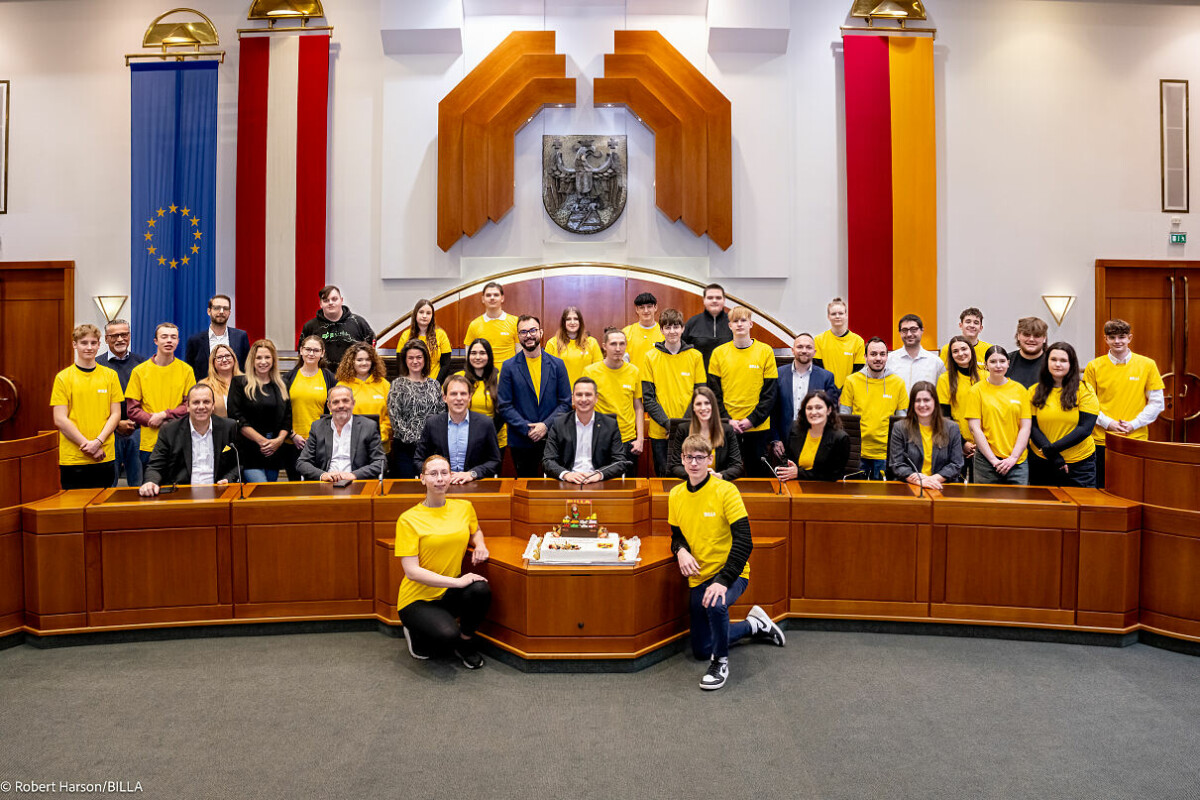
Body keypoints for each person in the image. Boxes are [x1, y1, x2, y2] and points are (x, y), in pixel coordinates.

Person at [668, 433, 785, 691]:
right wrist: (681, 551)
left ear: (710, 459)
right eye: (689, 457)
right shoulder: (675, 495)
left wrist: (722, 581)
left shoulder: (726, 491)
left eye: (700, 457)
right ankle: (754, 626)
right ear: (683, 459)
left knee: (716, 604)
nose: (694, 463)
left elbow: (745, 542)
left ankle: (720, 663)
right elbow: (677, 536)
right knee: (701, 648)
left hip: (731, 574)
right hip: (699, 577)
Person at [395, 454, 492, 668]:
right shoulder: (408, 519)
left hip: (447, 593)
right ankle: (414, 632)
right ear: (422, 479)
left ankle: (466, 643)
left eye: (444, 473)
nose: (439, 478)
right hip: (417, 599)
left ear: (450, 477)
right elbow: (411, 571)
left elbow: (475, 530)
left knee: (480, 590)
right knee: (446, 637)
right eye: (433, 474)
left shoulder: (464, 507)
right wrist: (458, 582)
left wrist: (481, 545)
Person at [1083, 319, 1165, 488]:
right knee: (1101, 487)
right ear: (1105, 339)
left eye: (1122, 337)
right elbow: (1087, 404)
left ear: (1130, 338)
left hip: (1135, 438)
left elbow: (1157, 403)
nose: (1117, 341)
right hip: (1101, 439)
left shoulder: (1147, 365)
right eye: (1112, 337)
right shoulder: (1094, 366)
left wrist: (1133, 424)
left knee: (1133, 487)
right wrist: (1109, 423)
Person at [707, 307, 778, 476]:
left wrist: (752, 420)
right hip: (727, 427)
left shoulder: (765, 351)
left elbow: (770, 393)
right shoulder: (718, 353)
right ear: (729, 325)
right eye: (735, 321)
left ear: (751, 324)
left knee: (758, 477)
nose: (739, 324)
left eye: (743, 320)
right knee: (726, 475)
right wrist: (727, 420)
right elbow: (714, 394)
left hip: (757, 427)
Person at [497, 315, 571, 477]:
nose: (528, 335)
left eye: (532, 330)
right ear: (518, 336)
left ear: (541, 332)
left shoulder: (557, 365)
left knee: (554, 489)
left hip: (553, 438)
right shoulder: (508, 367)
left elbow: (565, 403)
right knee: (527, 491)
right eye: (523, 332)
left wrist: (545, 426)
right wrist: (528, 429)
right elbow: (504, 405)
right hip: (521, 440)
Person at [51, 324, 123, 490]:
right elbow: (60, 419)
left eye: (93, 343)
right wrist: (88, 446)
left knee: (102, 510)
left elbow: (115, 414)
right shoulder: (63, 378)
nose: (89, 347)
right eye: (84, 343)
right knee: (74, 510)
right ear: (75, 344)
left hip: (104, 455)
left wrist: (98, 442)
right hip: (74, 458)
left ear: (99, 345)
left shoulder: (110, 376)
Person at [138, 383, 240, 496]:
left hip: (219, 493)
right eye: (196, 402)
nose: (201, 407)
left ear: (213, 405)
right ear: (187, 406)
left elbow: (239, 462)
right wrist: (151, 482)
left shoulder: (229, 427)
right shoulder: (170, 430)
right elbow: (155, 466)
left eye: (206, 402)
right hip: (181, 494)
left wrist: (228, 479)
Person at [641, 308, 707, 477]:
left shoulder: (695, 356)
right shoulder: (650, 357)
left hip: (690, 429)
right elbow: (648, 398)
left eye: (676, 327)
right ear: (661, 330)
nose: (672, 331)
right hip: (660, 431)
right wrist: (669, 425)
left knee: (690, 476)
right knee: (663, 476)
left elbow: (699, 396)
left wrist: (681, 426)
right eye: (668, 327)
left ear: (682, 329)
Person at [126, 322, 196, 472]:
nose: (169, 341)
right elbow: (132, 409)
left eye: (173, 337)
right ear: (156, 341)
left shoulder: (186, 370)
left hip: (179, 439)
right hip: (150, 443)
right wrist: (152, 420)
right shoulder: (139, 371)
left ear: (178, 341)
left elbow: (190, 405)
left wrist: (164, 415)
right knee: (152, 488)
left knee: (180, 490)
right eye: (164, 337)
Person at [1029, 343, 1100, 488]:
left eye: (1063, 360)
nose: (1057, 364)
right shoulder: (1033, 391)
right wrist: (1054, 457)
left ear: (1071, 364)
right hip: (1042, 462)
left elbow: (1085, 428)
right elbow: (1031, 426)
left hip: (1080, 464)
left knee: (1080, 508)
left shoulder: (1085, 390)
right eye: (1053, 359)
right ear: (1046, 362)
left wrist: (1052, 449)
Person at [839, 337, 908, 479]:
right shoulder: (851, 381)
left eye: (882, 354)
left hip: (886, 454)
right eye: (873, 354)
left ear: (887, 356)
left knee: (883, 497)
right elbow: (844, 419)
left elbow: (902, 421)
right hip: (857, 453)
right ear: (865, 357)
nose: (878, 358)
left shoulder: (898, 383)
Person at [965, 345, 1032, 485]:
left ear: (1008, 363)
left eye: (1002, 361)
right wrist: (993, 460)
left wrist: (1013, 458)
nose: (998, 365)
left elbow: (1025, 428)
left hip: (1017, 461)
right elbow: (975, 429)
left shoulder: (1020, 390)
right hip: (986, 462)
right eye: (993, 361)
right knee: (986, 505)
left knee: (1017, 505)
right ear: (986, 365)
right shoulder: (976, 390)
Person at [543, 377, 631, 483]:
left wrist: (599, 474)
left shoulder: (610, 425)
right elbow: (548, 461)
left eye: (588, 395)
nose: (583, 399)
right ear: (573, 398)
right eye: (579, 395)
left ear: (596, 398)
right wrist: (566, 474)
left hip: (599, 483)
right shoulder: (559, 424)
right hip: (567, 482)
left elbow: (620, 462)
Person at [227, 339, 292, 483]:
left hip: (273, 451)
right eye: (259, 358)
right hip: (249, 451)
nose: (263, 362)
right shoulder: (239, 383)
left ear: (273, 360)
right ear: (252, 360)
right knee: (260, 488)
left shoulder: (282, 384)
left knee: (268, 495)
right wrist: (262, 441)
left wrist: (278, 441)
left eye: (267, 357)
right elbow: (235, 417)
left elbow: (287, 419)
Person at [415, 375, 501, 482]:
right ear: (444, 398)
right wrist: (438, 474)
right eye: (453, 394)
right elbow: (419, 460)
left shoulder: (485, 423)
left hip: (475, 485)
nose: (459, 398)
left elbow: (495, 461)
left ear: (470, 397)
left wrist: (472, 474)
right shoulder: (432, 424)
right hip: (440, 485)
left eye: (463, 393)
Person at [770, 332, 838, 465]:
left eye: (808, 347)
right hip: (783, 443)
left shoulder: (826, 377)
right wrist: (775, 439)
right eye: (800, 347)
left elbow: (831, 412)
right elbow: (771, 410)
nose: (804, 351)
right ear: (793, 350)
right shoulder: (778, 374)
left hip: (814, 442)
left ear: (814, 351)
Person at [583, 328, 645, 476]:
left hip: (627, 440)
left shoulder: (634, 371)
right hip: (598, 439)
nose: (618, 348)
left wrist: (640, 439)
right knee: (598, 486)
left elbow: (638, 407)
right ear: (604, 346)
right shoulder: (590, 372)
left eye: (622, 344)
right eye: (613, 344)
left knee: (626, 488)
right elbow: (583, 407)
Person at [294, 385, 387, 482]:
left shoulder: (368, 426)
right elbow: (302, 462)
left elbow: (380, 462)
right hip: (326, 484)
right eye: (335, 402)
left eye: (345, 401)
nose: (341, 405)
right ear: (329, 406)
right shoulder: (318, 427)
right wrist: (323, 475)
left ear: (353, 403)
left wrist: (354, 475)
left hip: (357, 483)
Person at [385, 340, 445, 479]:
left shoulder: (434, 385)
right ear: (405, 360)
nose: (415, 361)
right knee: (408, 488)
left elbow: (441, 414)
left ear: (425, 359)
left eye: (419, 357)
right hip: (405, 450)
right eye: (410, 358)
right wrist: (416, 441)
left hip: (432, 448)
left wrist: (429, 441)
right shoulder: (397, 385)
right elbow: (395, 419)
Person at [887, 381, 964, 490]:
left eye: (926, 400)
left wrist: (931, 480)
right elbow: (897, 464)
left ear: (935, 402)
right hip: (909, 486)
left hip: (942, 485)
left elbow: (956, 464)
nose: (922, 405)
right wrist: (919, 481)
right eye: (917, 401)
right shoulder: (900, 428)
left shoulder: (952, 428)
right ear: (912, 404)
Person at [96, 318, 145, 487]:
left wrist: (134, 423)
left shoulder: (142, 364)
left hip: (138, 431)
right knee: (109, 484)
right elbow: (95, 404)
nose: (120, 339)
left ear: (130, 336)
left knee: (139, 483)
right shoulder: (96, 365)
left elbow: (147, 400)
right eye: (114, 335)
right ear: (106, 338)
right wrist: (116, 424)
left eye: (124, 334)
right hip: (108, 432)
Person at [666, 386, 743, 481]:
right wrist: (698, 476)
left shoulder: (727, 431)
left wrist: (720, 476)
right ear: (693, 408)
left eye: (707, 403)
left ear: (713, 406)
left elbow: (737, 466)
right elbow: (675, 466)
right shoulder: (683, 430)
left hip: (718, 485)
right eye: (698, 404)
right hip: (690, 484)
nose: (703, 408)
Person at [774, 390, 850, 482]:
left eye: (819, 408)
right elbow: (786, 458)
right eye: (809, 408)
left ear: (829, 410)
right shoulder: (795, 429)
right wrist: (787, 470)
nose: (813, 412)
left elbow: (833, 474)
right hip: (795, 485)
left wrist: (799, 473)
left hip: (825, 489)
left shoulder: (840, 438)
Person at [284, 335, 337, 465]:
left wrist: (321, 437)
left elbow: (335, 410)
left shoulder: (329, 378)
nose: (311, 353)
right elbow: (282, 412)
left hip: (320, 443)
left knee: (319, 484)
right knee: (295, 485)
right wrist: (292, 435)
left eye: (316, 350)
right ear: (301, 351)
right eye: (308, 349)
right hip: (293, 443)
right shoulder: (288, 378)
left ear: (322, 353)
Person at [298, 284, 376, 371]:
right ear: (320, 304)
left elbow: (371, 351)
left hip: (353, 378)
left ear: (341, 300)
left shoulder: (359, 323)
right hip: (321, 378)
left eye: (334, 299)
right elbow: (302, 354)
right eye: (326, 300)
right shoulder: (310, 327)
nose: (330, 303)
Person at [336, 342, 393, 459]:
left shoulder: (384, 384)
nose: (364, 363)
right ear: (351, 362)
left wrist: (381, 433)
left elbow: (391, 415)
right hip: (350, 445)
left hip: (380, 444)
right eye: (359, 360)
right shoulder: (342, 385)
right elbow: (336, 415)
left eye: (367, 359)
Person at [936, 335, 982, 476]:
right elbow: (944, 416)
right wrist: (963, 444)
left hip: (985, 445)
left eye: (964, 349)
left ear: (971, 351)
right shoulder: (945, 380)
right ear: (951, 355)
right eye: (955, 351)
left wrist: (980, 444)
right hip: (955, 443)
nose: (961, 354)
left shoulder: (986, 376)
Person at [183, 294, 250, 380]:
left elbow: (247, 367)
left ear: (229, 313)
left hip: (235, 390)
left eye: (225, 308)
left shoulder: (241, 337)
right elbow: (190, 372)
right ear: (209, 311)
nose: (221, 311)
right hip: (205, 390)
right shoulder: (195, 341)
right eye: (217, 308)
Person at [457, 338, 506, 453]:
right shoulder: (459, 379)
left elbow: (503, 413)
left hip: (494, 440)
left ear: (489, 356)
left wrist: (484, 436)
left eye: (482, 353)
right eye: (473, 353)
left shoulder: (501, 379)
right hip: (465, 441)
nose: (477, 357)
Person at [813, 297, 865, 391]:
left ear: (846, 315)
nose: (837, 316)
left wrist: (843, 391)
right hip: (826, 391)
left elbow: (858, 371)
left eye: (841, 313)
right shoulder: (819, 340)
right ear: (828, 316)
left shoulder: (858, 341)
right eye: (833, 314)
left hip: (850, 392)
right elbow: (818, 369)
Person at [397, 298, 453, 383]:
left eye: (428, 313)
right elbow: (400, 364)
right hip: (411, 384)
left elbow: (446, 364)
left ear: (432, 316)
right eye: (421, 312)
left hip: (436, 383)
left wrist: (435, 385)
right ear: (415, 314)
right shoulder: (405, 335)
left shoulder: (441, 335)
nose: (424, 316)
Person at [462, 281, 518, 366]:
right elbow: (469, 356)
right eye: (488, 295)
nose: (492, 298)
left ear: (502, 298)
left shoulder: (515, 322)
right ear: (483, 299)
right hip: (483, 376)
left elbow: (520, 354)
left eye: (496, 295)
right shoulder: (474, 325)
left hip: (508, 376)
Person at [544, 306, 602, 387]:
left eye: (576, 319)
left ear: (580, 322)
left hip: (586, 392)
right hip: (561, 393)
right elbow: (547, 373)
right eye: (568, 319)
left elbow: (599, 371)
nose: (572, 322)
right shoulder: (552, 343)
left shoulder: (592, 342)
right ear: (563, 322)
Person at [886, 313, 945, 393]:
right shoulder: (888, 360)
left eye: (913, 329)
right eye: (905, 330)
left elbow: (941, 393)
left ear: (922, 330)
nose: (909, 334)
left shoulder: (936, 362)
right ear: (900, 333)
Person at [682, 283, 733, 367]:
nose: (714, 300)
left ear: (724, 300)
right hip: (699, 378)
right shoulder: (692, 322)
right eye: (710, 298)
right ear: (704, 300)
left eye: (718, 298)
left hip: (727, 378)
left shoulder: (734, 322)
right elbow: (682, 352)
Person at [622, 291, 664, 371]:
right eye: (642, 307)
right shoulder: (626, 332)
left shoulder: (664, 332)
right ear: (637, 310)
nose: (646, 311)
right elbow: (623, 363)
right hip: (635, 381)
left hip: (658, 381)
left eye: (649, 307)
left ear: (655, 308)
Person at [199, 343, 242, 418]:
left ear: (234, 358)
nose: (224, 360)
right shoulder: (205, 385)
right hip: (218, 428)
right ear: (213, 362)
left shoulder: (247, 381)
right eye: (219, 357)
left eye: (228, 356)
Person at [1006, 316, 1049, 389]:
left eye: (1037, 335)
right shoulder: (1006, 361)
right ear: (1018, 336)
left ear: (1044, 338)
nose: (1031, 339)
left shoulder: (1052, 363)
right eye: (1026, 334)